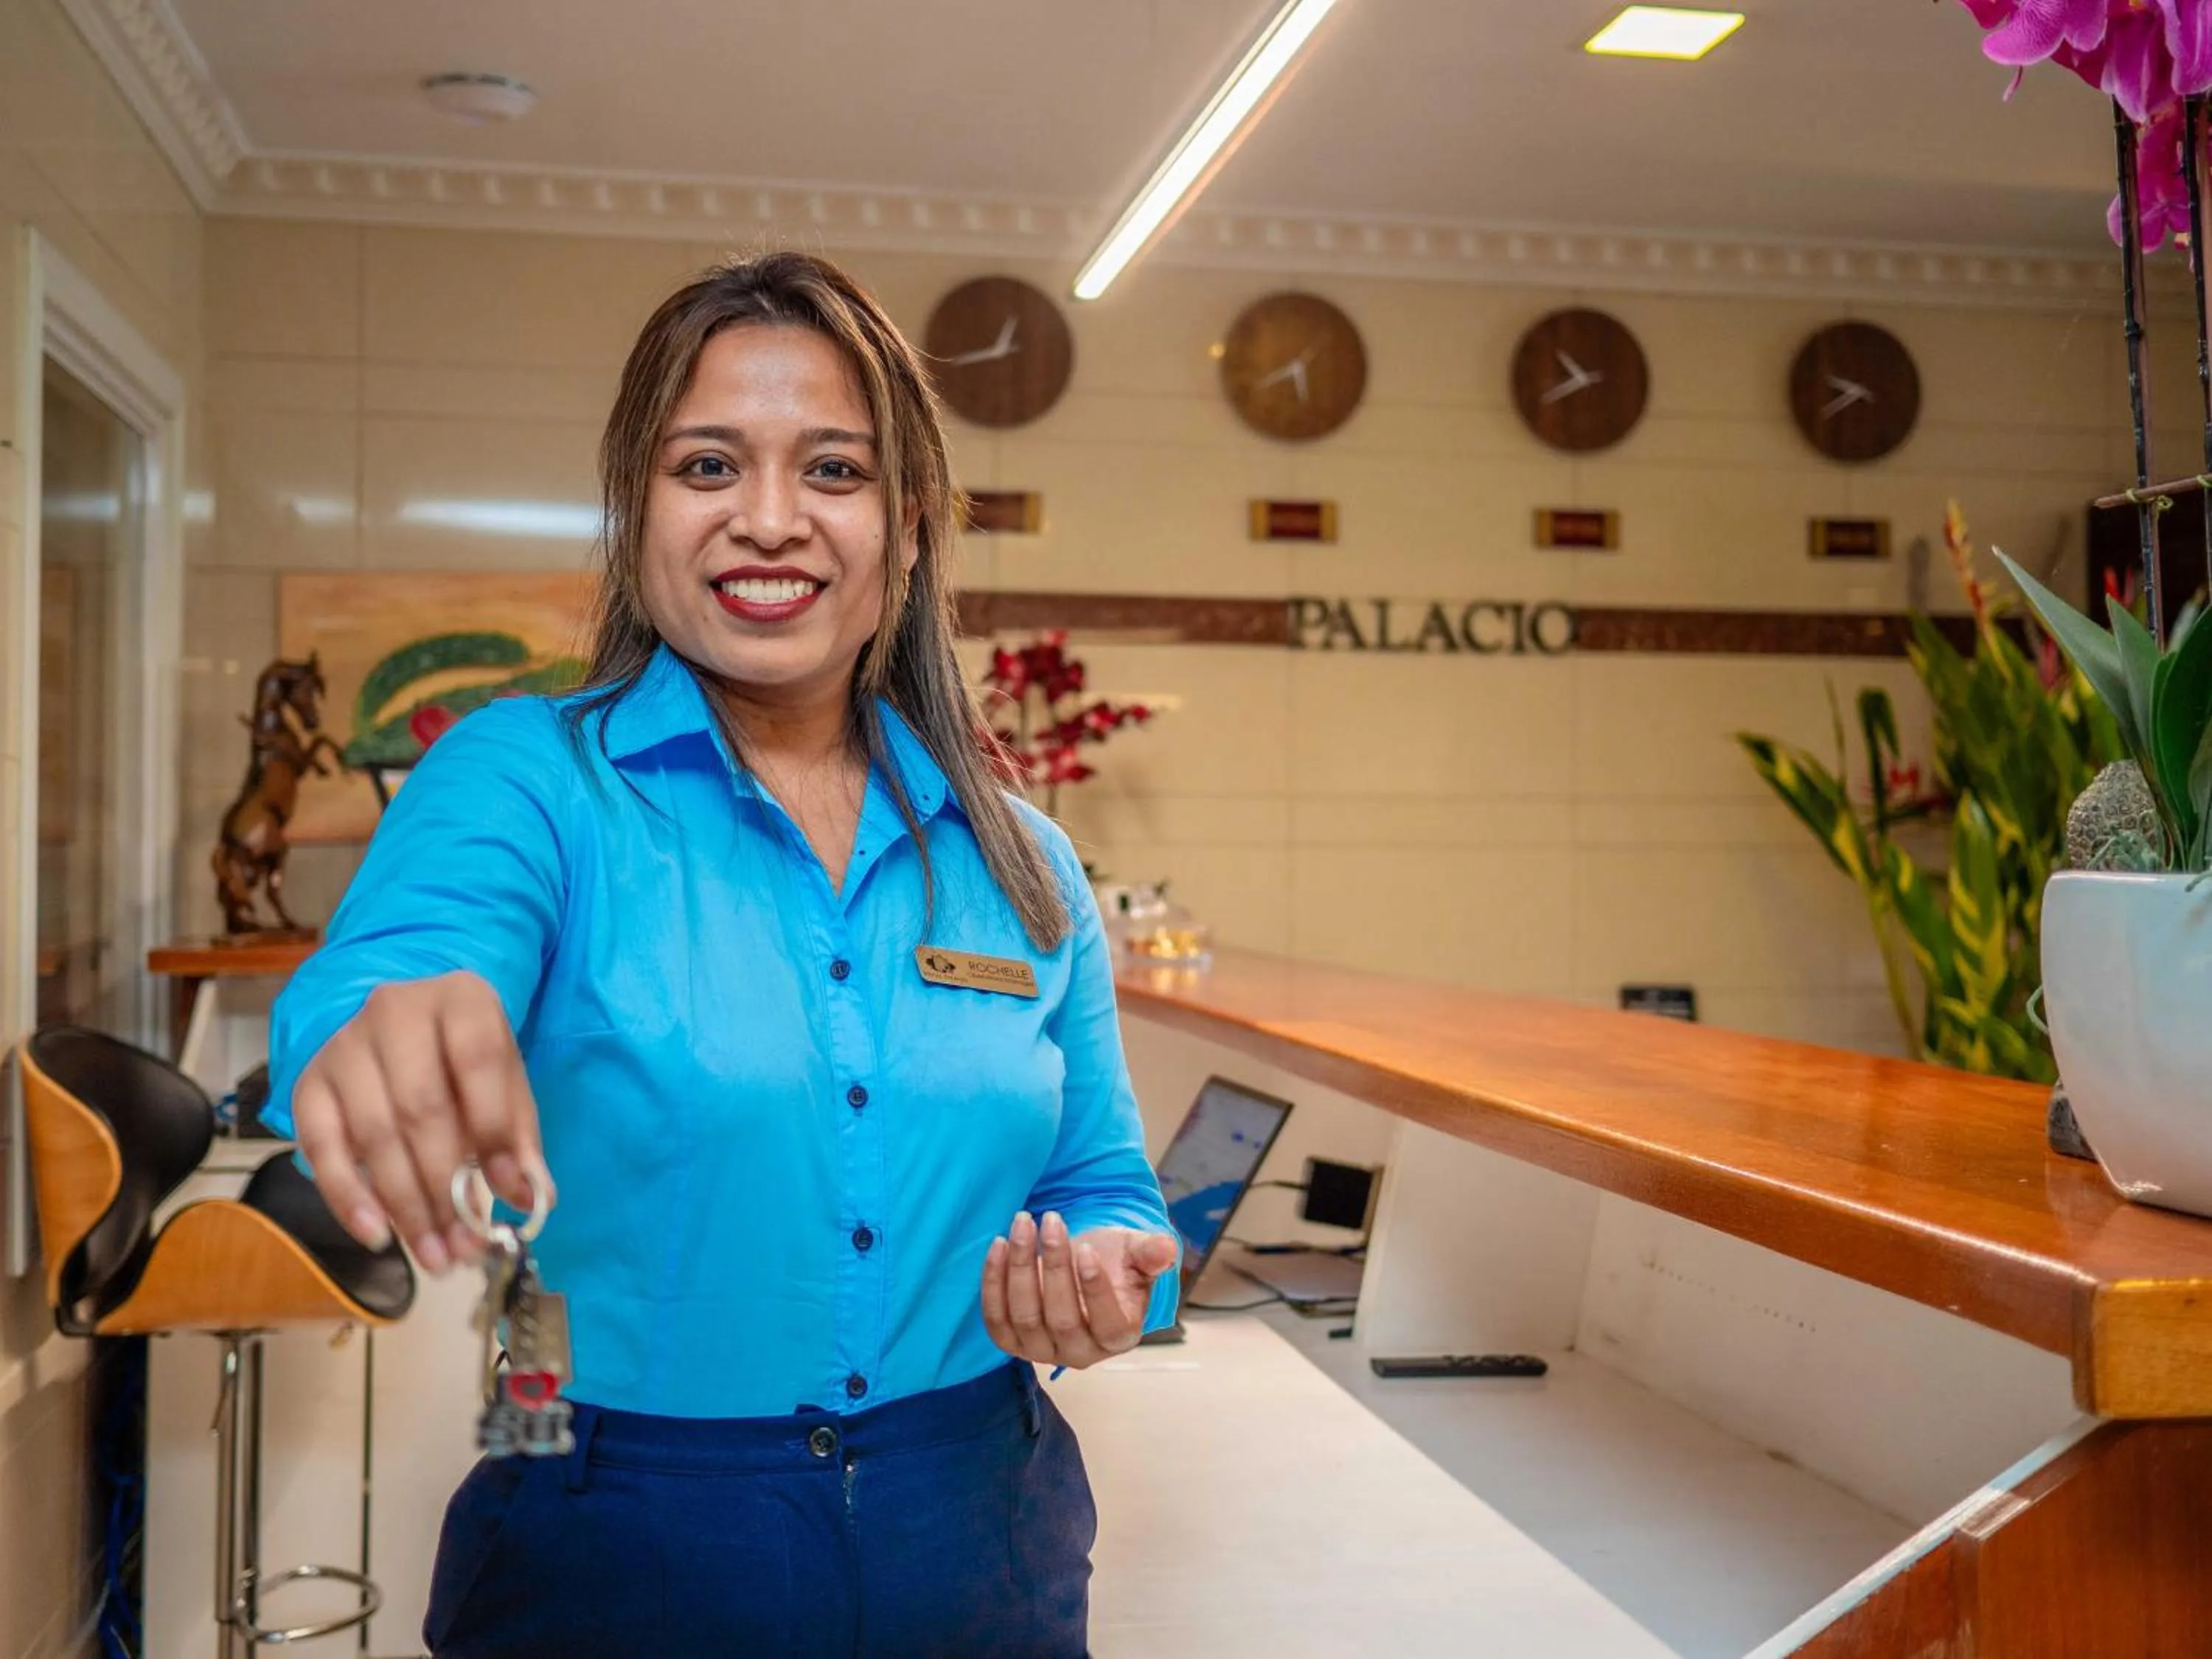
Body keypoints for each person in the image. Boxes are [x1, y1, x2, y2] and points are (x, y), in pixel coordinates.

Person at [261, 250, 1182, 1658]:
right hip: (610, 1510)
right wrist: (392, 1016)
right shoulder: (530, 777)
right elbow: (407, 954)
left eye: (834, 471)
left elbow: (1103, 1181)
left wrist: (1111, 1273)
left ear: (910, 528)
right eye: (707, 465)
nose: (769, 520)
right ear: (636, 511)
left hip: (980, 1522)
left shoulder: (1025, 863)